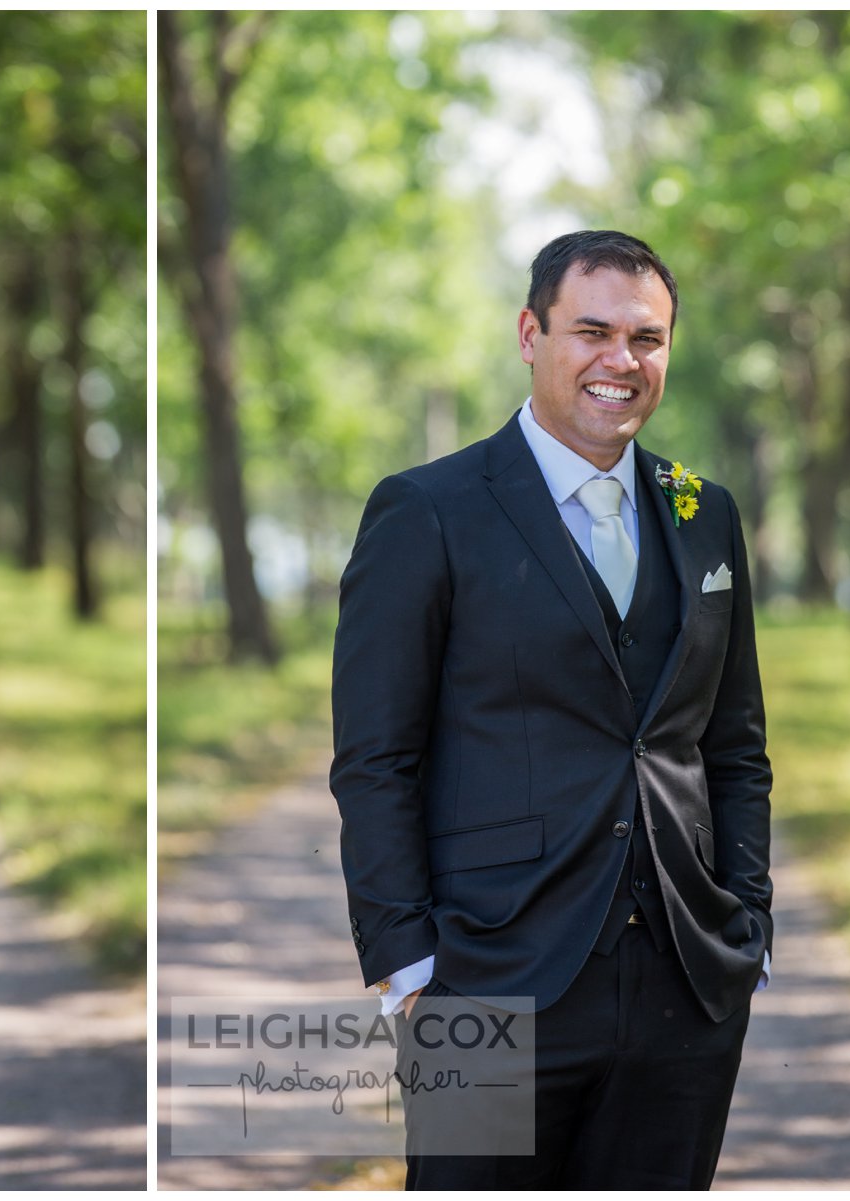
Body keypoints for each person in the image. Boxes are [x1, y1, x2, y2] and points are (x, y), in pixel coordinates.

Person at [330, 230, 772, 1189]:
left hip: (685, 988)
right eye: (593, 331)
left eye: (647, 339)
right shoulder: (428, 510)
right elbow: (375, 758)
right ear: (531, 334)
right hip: (486, 980)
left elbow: (733, 748)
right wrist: (408, 968)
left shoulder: (706, 512)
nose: (621, 361)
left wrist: (749, 927)